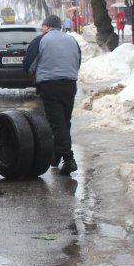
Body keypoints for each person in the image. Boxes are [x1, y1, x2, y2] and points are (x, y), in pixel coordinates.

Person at [23, 15, 82, 176]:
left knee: (57, 123)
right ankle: (56, 156)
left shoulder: (41, 40)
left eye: (43, 26)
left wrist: (34, 74)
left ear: (47, 26)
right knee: (64, 120)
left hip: (50, 85)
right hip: (70, 84)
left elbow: (28, 63)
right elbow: (78, 61)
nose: (42, 29)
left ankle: (69, 159)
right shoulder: (72, 40)